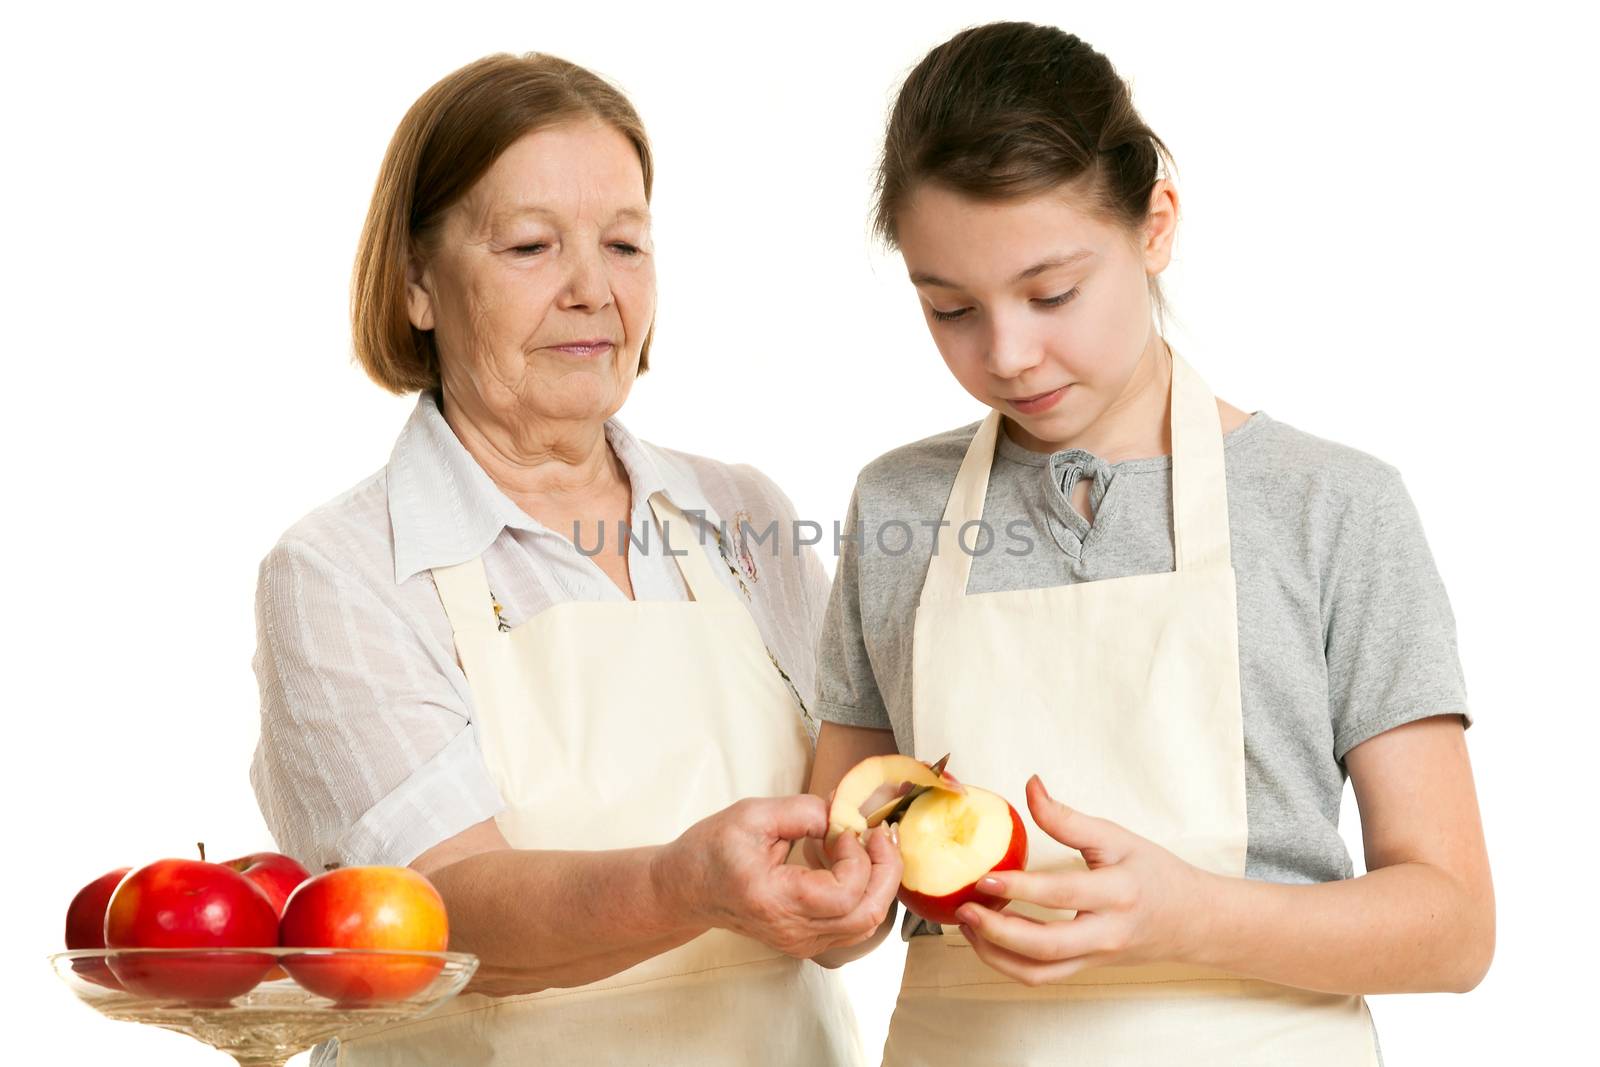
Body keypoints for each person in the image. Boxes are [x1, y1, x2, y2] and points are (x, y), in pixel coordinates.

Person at [806, 21, 1492, 1065]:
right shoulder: (898, 504)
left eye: (1051, 293)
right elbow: (839, 870)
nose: (1006, 352)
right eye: (949, 308)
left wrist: (1188, 914)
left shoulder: (1331, 506)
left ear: (1155, 223)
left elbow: (1452, 926)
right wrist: (825, 896)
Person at [248, 52, 898, 1066]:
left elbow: (839, 861)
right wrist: (684, 885)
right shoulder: (339, 570)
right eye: (530, 246)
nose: (591, 290)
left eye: (626, 244)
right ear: (418, 282)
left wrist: (858, 893)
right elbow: (430, 916)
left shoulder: (739, 513)